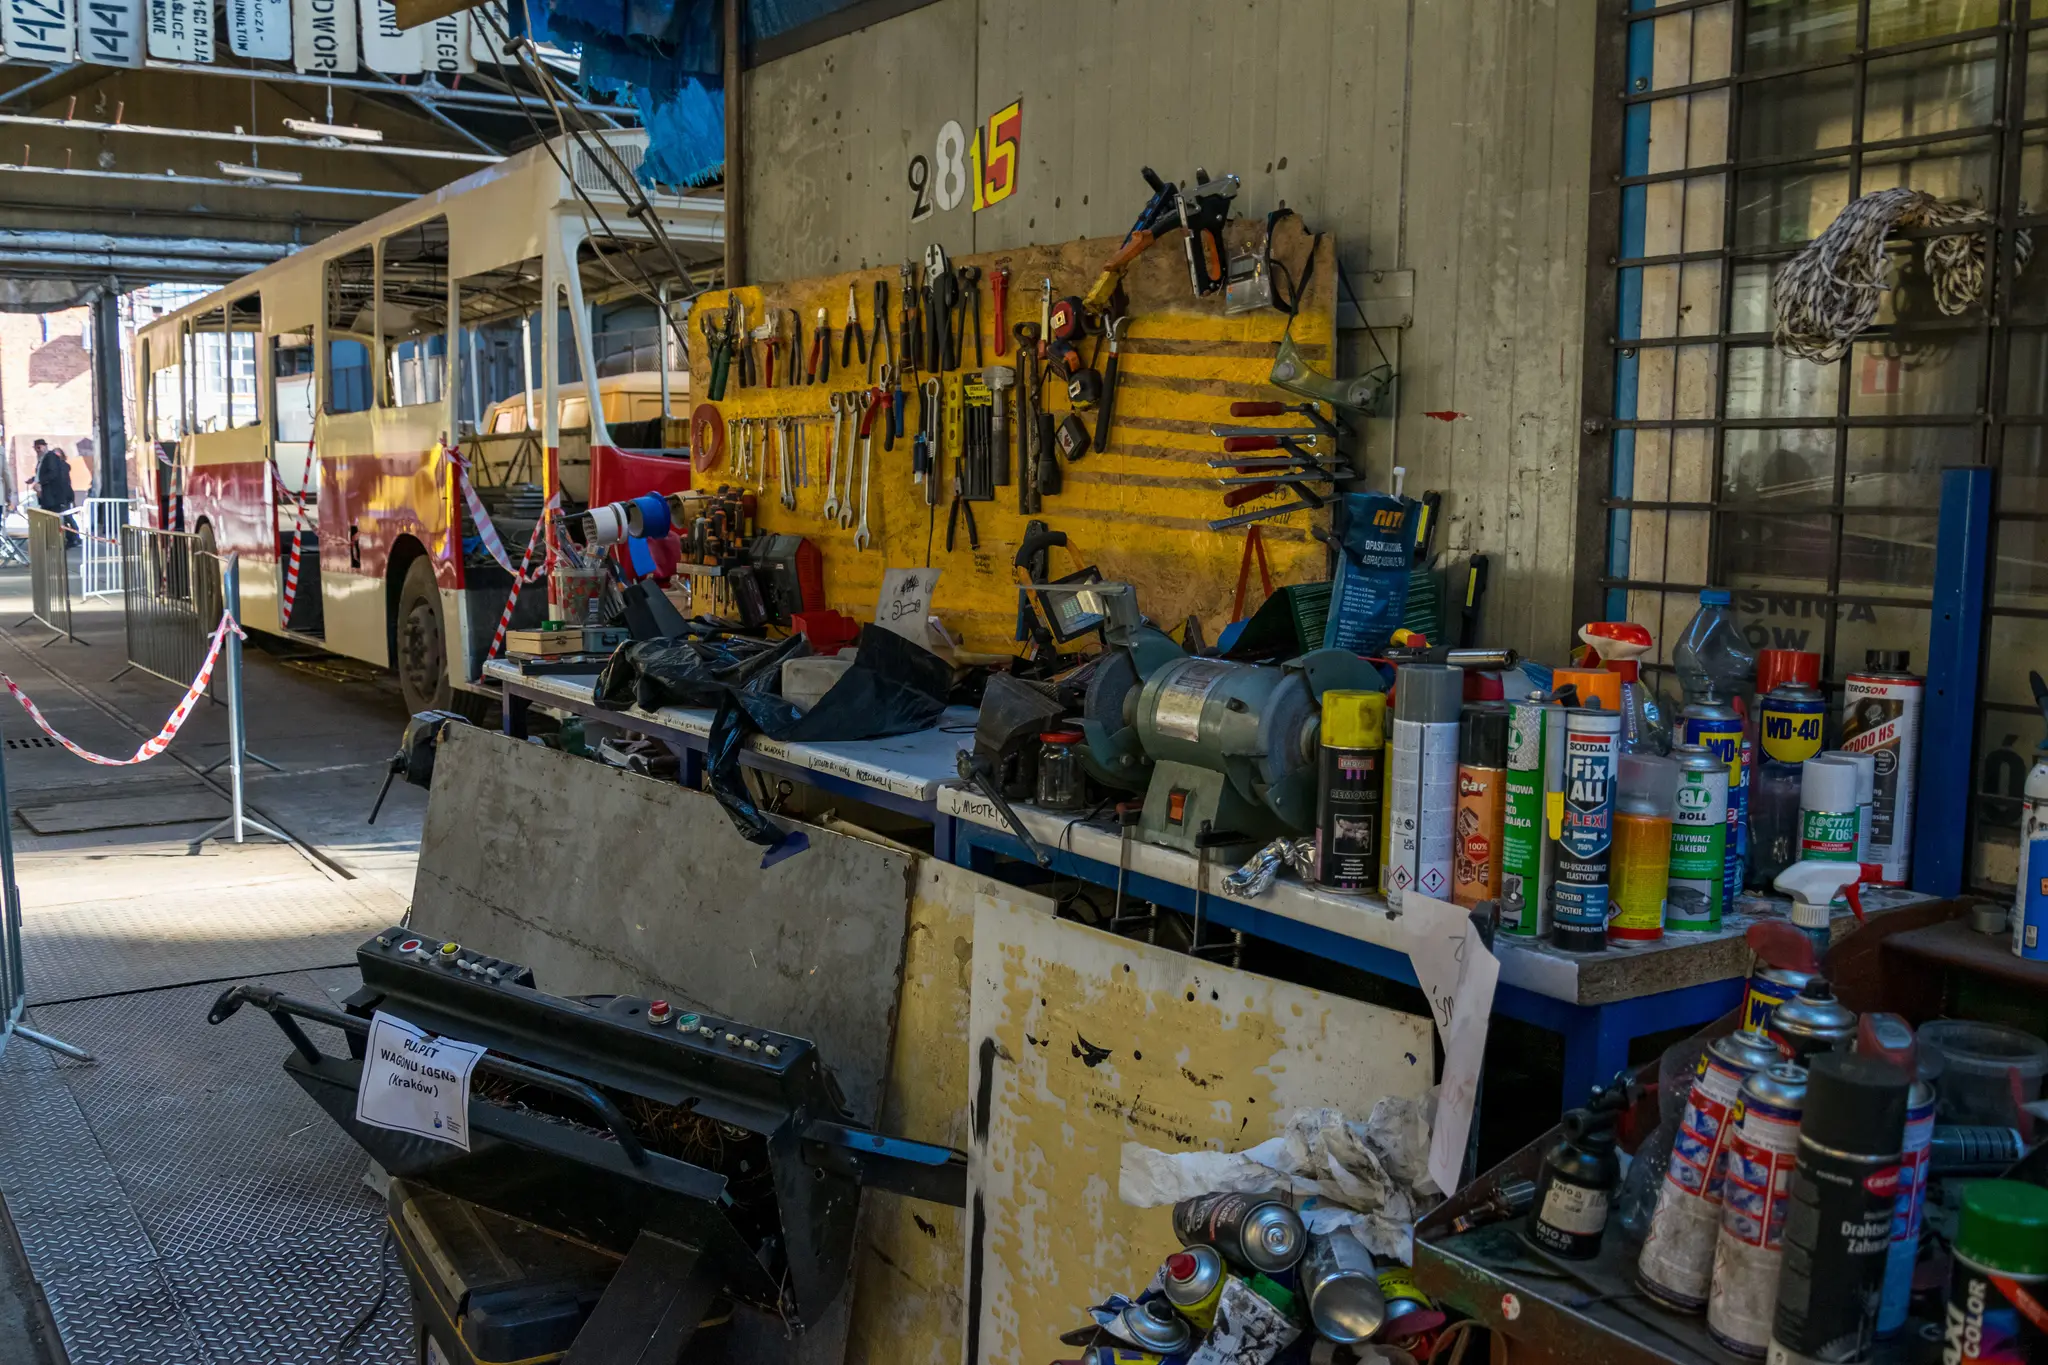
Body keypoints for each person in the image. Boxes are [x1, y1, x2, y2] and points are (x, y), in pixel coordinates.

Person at [29, 440, 77, 546]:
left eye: (39, 447)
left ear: (45, 446)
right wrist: (34, 480)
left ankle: (71, 537)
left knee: (60, 517)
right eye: (35, 448)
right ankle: (57, 539)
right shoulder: (42, 460)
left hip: (54, 495)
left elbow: (52, 474)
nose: (37, 450)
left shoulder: (50, 457)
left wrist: (39, 482)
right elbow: (42, 474)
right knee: (53, 517)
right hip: (48, 495)